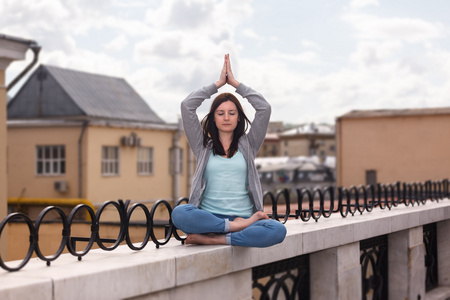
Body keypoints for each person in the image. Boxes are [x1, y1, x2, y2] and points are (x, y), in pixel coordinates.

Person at [171, 54, 286, 248]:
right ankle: (230, 228)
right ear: (213, 118)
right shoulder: (202, 146)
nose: (226, 118)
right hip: (210, 219)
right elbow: (187, 106)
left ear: (239, 117)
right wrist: (217, 84)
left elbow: (264, 108)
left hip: (245, 220)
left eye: (232, 113)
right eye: (220, 113)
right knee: (179, 214)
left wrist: (234, 84)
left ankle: (218, 238)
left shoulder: (249, 144)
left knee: (278, 230)